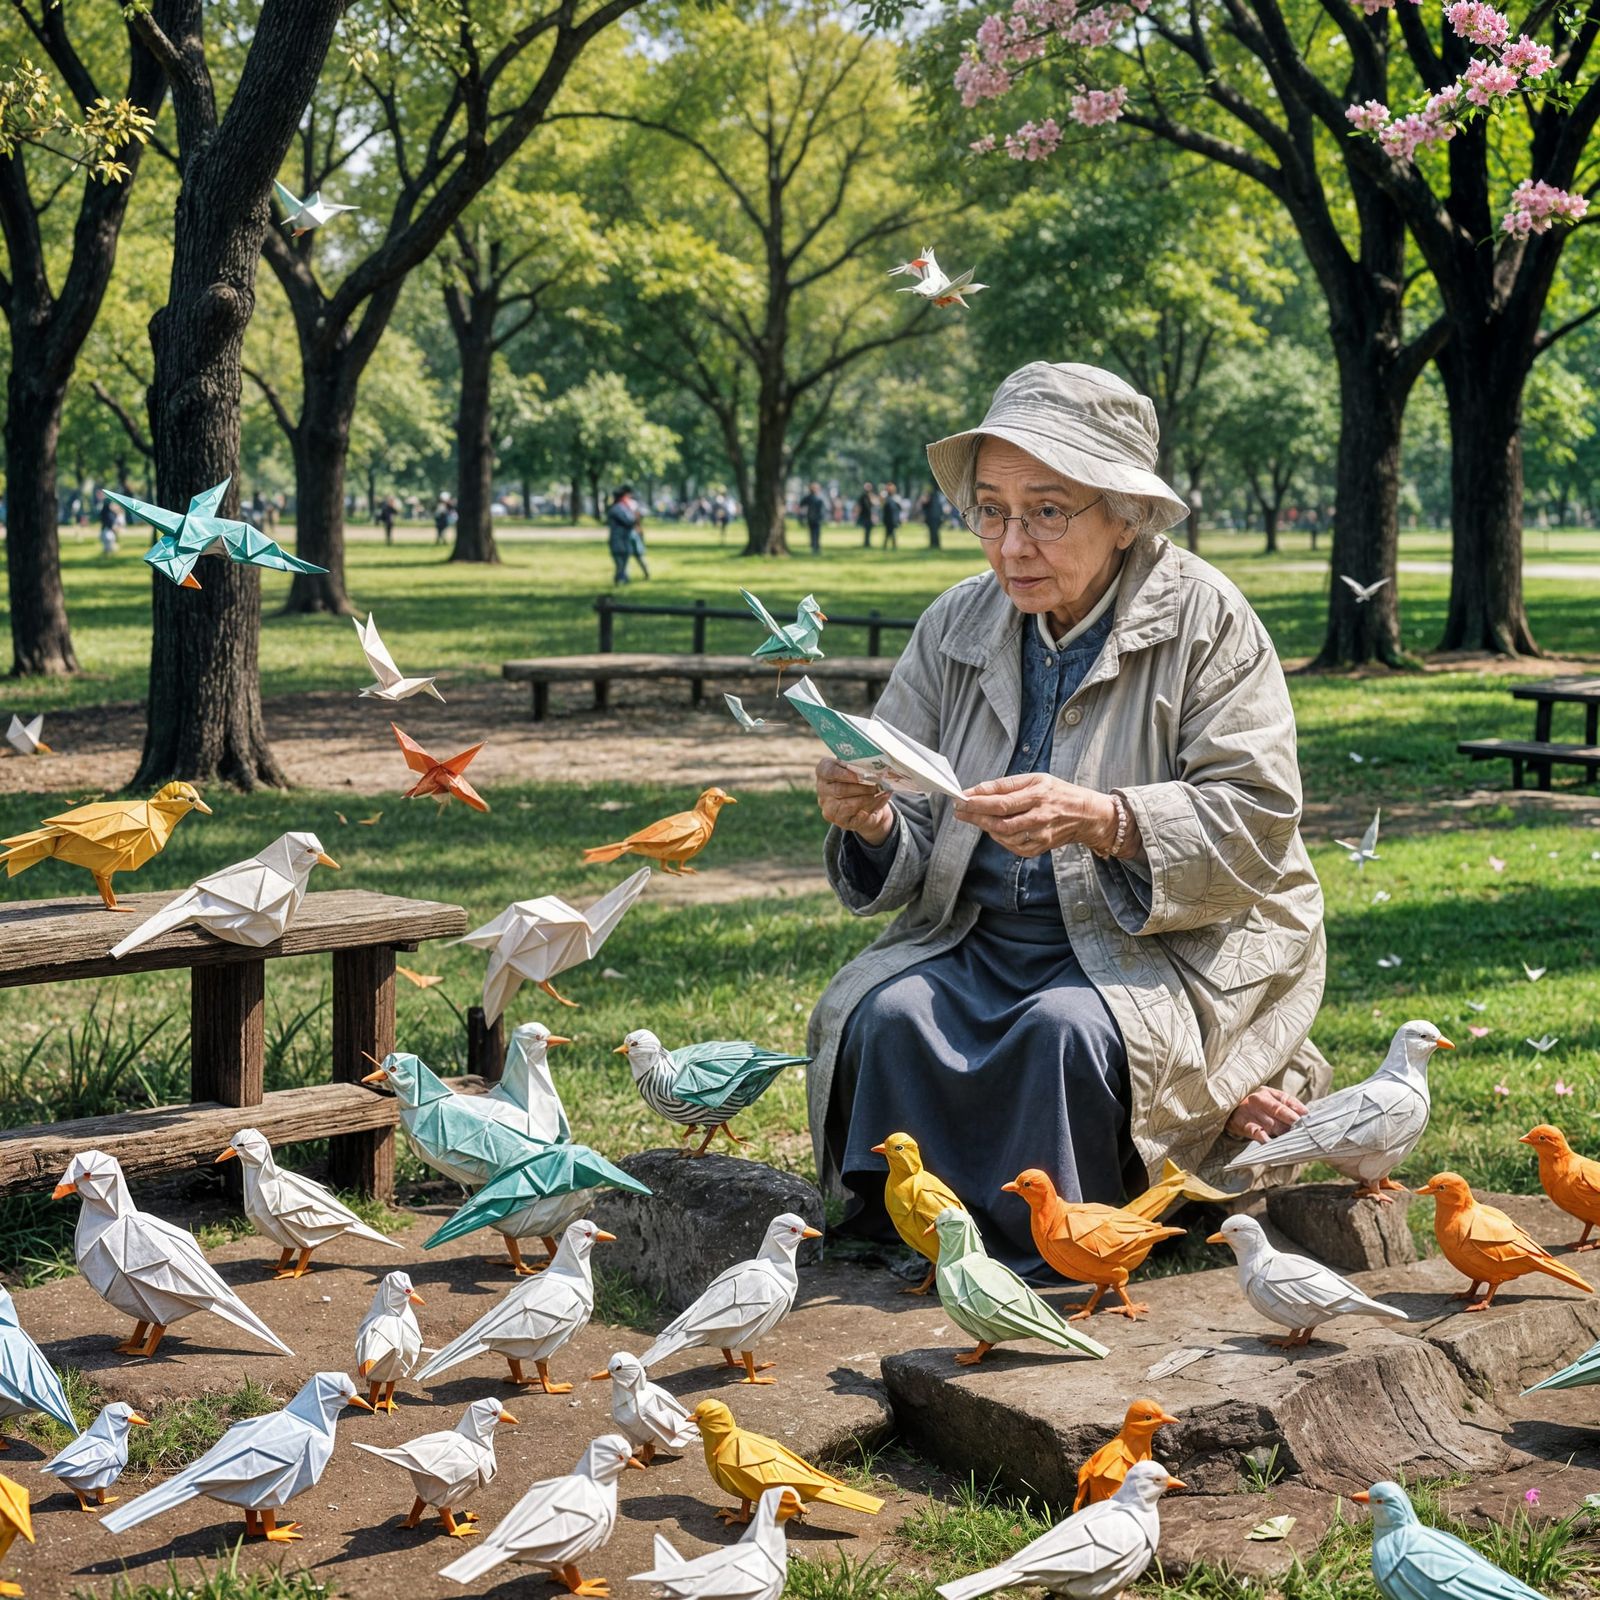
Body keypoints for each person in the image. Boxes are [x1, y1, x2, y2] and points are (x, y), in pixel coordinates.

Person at [807, 361, 1328, 1276]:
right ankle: (914, 1234)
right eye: (991, 510)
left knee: (1065, 1033)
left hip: (1160, 947)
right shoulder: (954, 625)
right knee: (887, 1015)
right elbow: (919, 809)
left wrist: (1107, 819)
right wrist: (875, 820)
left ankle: (1054, 1247)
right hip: (976, 936)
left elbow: (1259, 820)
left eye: (1047, 511)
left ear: (1126, 514)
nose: (1012, 544)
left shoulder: (1208, 620)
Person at [607, 484, 647, 584]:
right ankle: (620, 580)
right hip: (619, 540)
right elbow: (628, 521)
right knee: (620, 563)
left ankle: (623, 579)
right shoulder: (617, 508)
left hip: (625, 540)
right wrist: (636, 516)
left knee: (625, 562)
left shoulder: (626, 506)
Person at [800, 481, 828, 555]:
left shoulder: (819, 497)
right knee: (813, 533)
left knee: (816, 533)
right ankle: (814, 546)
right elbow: (801, 505)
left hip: (817, 518)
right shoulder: (811, 497)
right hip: (812, 518)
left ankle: (816, 546)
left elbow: (825, 507)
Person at [881, 482, 901, 550]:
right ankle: (890, 546)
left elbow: (899, 508)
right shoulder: (885, 497)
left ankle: (891, 546)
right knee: (888, 533)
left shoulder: (896, 498)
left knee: (892, 533)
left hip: (894, 518)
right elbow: (882, 504)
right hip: (887, 518)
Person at [855, 483, 876, 548]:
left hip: (869, 515)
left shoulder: (871, 496)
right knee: (867, 529)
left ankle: (867, 542)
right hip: (865, 515)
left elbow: (874, 505)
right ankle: (866, 542)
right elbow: (859, 506)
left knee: (868, 530)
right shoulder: (863, 497)